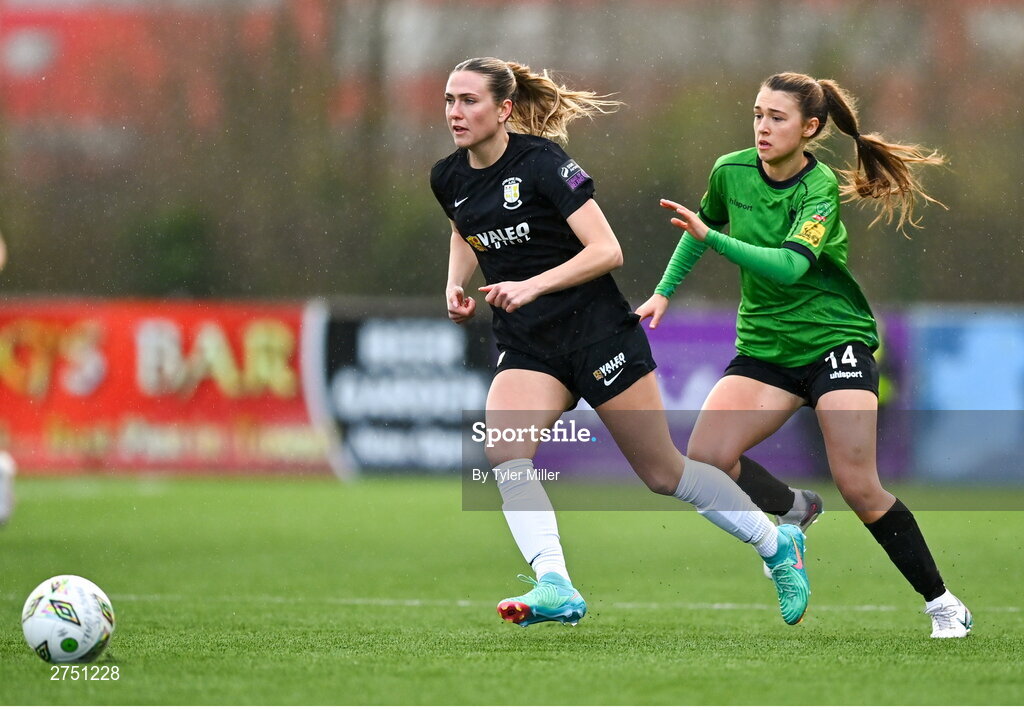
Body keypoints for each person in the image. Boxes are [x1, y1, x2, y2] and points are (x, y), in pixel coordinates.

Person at [431, 57, 811, 629]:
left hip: (598, 333)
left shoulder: (542, 163)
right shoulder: (447, 175)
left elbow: (608, 251)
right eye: (449, 100)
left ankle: (776, 543)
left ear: (504, 109)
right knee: (505, 448)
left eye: (469, 101)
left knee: (664, 474)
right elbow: (465, 227)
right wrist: (455, 283)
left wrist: (530, 285)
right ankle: (554, 582)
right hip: (531, 346)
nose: (455, 113)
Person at [635, 72, 971, 639]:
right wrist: (665, 289)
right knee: (707, 456)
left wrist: (713, 238)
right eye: (758, 114)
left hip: (833, 340)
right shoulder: (730, 169)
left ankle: (942, 604)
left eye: (777, 117)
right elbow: (698, 228)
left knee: (858, 485)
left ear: (810, 128)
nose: (763, 127)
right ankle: (794, 511)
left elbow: (789, 267)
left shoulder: (818, 191)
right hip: (767, 346)